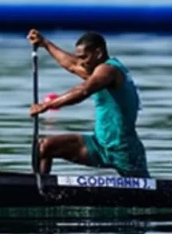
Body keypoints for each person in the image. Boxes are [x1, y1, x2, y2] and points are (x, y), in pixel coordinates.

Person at [27, 30, 150, 178]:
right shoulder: (97, 70)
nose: (81, 62)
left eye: (84, 57)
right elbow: (71, 65)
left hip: (123, 149)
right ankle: (38, 186)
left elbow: (83, 91)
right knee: (45, 147)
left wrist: (46, 105)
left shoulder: (109, 71)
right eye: (79, 58)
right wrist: (45, 43)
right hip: (98, 144)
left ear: (98, 53)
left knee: (145, 193)